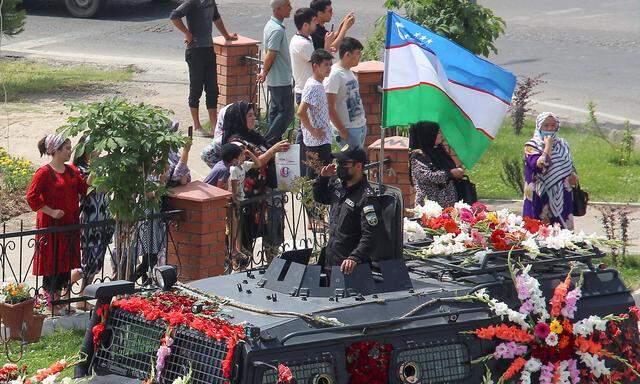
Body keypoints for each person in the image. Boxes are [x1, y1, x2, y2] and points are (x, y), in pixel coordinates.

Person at [26, 134, 88, 315]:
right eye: (67, 148)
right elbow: (31, 197)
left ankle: (59, 302)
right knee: (51, 264)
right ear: (56, 150)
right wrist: (51, 211)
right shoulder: (44, 173)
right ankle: (51, 303)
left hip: (69, 225)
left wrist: (97, 175)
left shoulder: (71, 171)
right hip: (51, 226)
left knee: (65, 263)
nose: (70, 151)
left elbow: (83, 189)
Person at [313, 144, 384, 275]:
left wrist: (354, 258)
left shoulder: (366, 198)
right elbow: (320, 197)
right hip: (331, 262)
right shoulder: (339, 186)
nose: (339, 166)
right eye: (338, 162)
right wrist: (322, 179)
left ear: (358, 166)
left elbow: (371, 234)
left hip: (351, 269)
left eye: (343, 163)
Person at [170, 0, 237, 137]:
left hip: (208, 49)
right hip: (195, 51)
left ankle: (214, 126)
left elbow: (216, 18)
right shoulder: (192, 2)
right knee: (196, 88)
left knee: (212, 88)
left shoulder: (210, 1)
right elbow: (174, 16)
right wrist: (187, 34)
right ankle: (197, 126)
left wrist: (226, 36)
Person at [73, 138, 114, 311]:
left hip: (102, 219)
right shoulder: (79, 169)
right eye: (94, 148)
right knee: (86, 264)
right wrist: (97, 164)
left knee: (95, 264)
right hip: (89, 220)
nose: (98, 151)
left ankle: (82, 299)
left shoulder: (98, 168)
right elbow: (88, 185)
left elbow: (105, 188)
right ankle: (57, 293)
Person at [523, 112, 579, 229]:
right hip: (539, 195)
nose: (550, 129)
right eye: (546, 126)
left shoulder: (562, 144)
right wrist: (548, 146)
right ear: (539, 127)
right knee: (540, 231)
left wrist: (574, 176)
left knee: (562, 232)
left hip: (562, 194)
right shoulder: (531, 146)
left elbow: (569, 165)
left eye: (553, 126)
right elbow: (540, 165)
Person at [258, 0, 295, 146]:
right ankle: (267, 142)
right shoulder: (277, 29)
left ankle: (272, 144)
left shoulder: (272, 25)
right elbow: (271, 53)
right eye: (287, 5)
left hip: (276, 79)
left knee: (275, 113)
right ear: (278, 9)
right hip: (280, 80)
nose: (290, 8)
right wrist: (264, 72)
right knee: (286, 114)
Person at [296, 49, 334, 179]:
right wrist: (313, 131)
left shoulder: (316, 83)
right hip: (318, 144)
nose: (329, 68)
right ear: (315, 66)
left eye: (330, 65)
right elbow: (300, 112)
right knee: (317, 179)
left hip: (321, 140)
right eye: (326, 65)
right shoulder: (314, 86)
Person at [408, 122, 464, 208]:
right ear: (428, 135)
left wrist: (457, 172)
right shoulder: (418, 156)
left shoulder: (438, 150)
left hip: (448, 202)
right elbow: (428, 177)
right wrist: (450, 173)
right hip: (430, 205)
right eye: (437, 133)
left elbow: (449, 167)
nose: (441, 135)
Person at [324, 37, 367, 149]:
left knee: (358, 163)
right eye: (358, 53)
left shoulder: (350, 72)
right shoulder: (334, 74)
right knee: (350, 164)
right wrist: (342, 131)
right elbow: (329, 106)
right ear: (347, 54)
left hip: (359, 126)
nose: (360, 56)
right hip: (347, 129)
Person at [290, 7, 318, 175]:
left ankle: (303, 167)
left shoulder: (304, 40)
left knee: (305, 130)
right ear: (306, 25)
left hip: (305, 89)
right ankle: (303, 168)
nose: (317, 24)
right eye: (314, 21)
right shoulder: (302, 43)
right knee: (306, 131)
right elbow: (321, 62)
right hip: (305, 91)